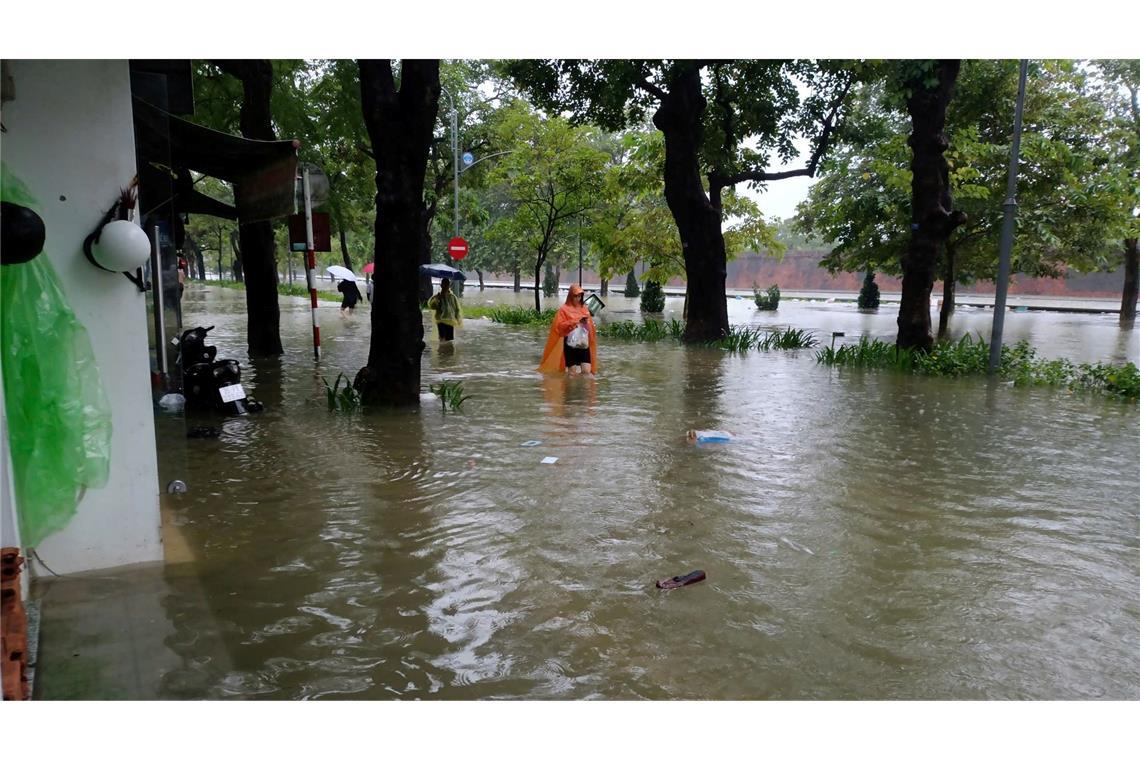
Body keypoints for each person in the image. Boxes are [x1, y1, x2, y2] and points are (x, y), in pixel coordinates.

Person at [539, 283, 598, 376]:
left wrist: (586, 323)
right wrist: (574, 322)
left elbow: (590, 326)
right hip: (570, 343)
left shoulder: (584, 309)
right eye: (575, 296)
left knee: (587, 371)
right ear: (571, 296)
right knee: (572, 372)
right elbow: (559, 327)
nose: (578, 298)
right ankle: (570, 389)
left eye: (580, 296)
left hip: (583, 342)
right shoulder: (564, 310)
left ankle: (583, 389)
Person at [426, 277, 462, 343]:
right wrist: (438, 299)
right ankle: (442, 351)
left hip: (450, 320)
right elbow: (432, 306)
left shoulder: (452, 297)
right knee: (442, 338)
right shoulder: (437, 296)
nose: (446, 286)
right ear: (441, 285)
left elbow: (457, 309)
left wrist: (458, 318)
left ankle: (447, 351)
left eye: (447, 284)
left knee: (449, 340)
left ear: (449, 285)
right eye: (444, 284)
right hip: (440, 320)